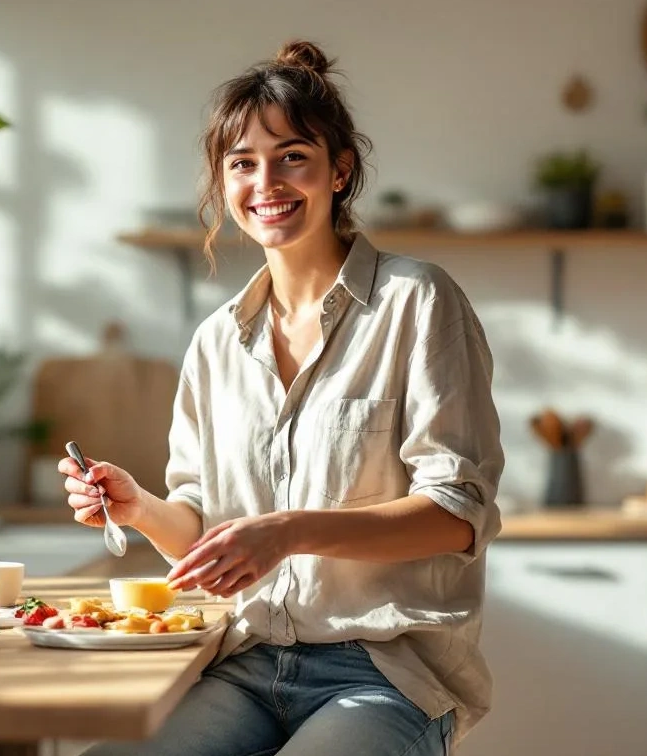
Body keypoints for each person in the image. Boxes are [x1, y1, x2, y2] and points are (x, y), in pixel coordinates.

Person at [60, 38, 505, 756]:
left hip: (385, 674)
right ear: (223, 182)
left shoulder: (417, 302)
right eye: (242, 163)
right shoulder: (216, 342)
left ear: (340, 170)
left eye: (292, 156)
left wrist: (290, 530)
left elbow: (457, 513)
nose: (266, 181)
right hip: (242, 664)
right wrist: (139, 507)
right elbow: (205, 533)